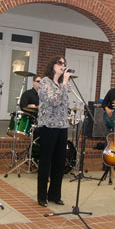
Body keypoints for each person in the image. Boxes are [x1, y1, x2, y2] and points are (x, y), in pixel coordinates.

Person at [36, 56, 72, 207]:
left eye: (64, 63)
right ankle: (42, 196)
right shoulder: (45, 82)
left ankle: (54, 195)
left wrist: (64, 84)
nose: (62, 65)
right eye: (59, 63)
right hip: (48, 127)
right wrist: (63, 83)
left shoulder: (63, 84)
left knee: (59, 162)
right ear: (52, 65)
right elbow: (53, 101)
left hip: (62, 127)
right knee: (46, 162)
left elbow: (64, 104)